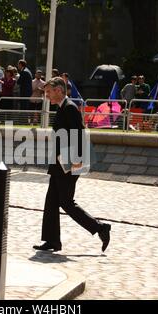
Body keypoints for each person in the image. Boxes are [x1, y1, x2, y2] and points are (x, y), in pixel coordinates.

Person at [33, 77, 111, 253]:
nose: (47, 96)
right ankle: (52, 241)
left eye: (49, 92)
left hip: (69, 163)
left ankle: (100, 228)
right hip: (60, 162)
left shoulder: (69, 108)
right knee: (51, 202)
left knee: (66, 203)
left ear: (59, 90)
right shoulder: (63, 108)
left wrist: (75, 162)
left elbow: (79, 134)